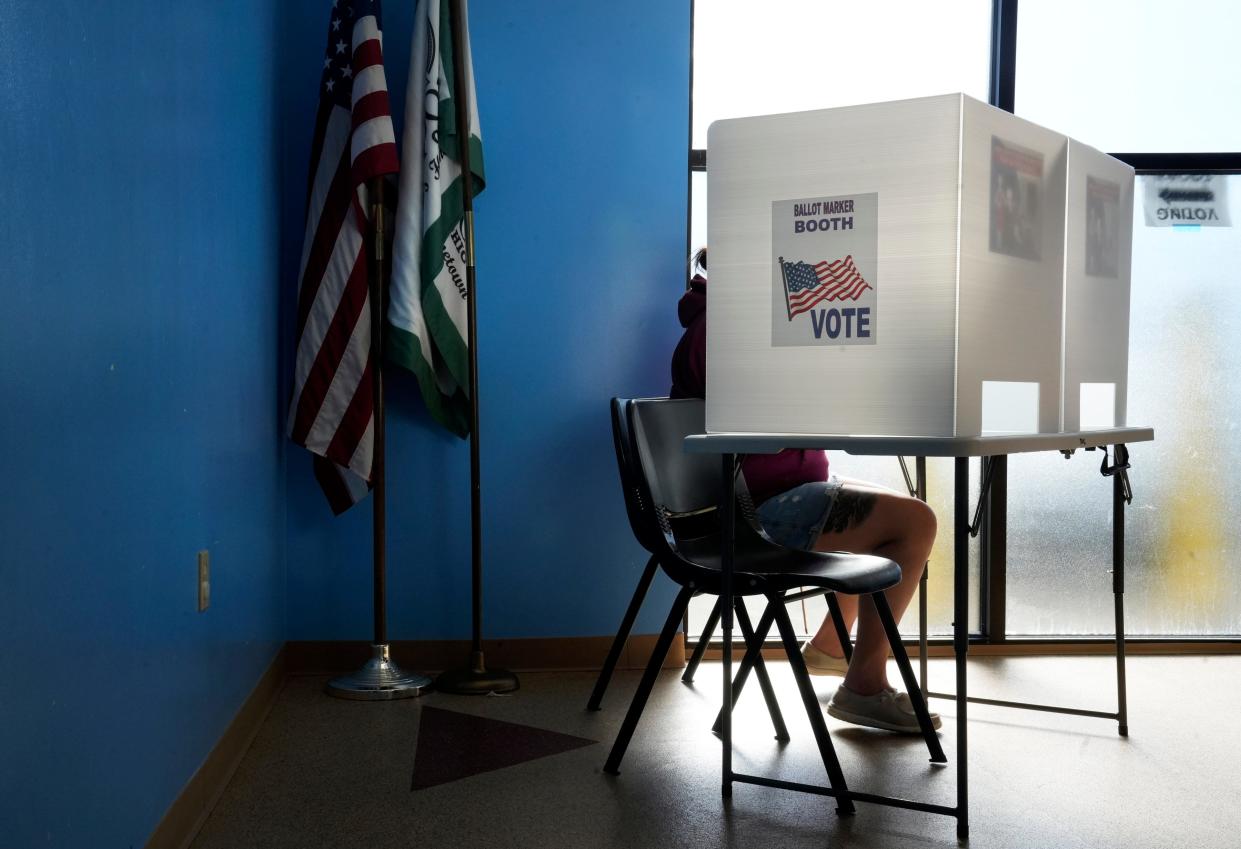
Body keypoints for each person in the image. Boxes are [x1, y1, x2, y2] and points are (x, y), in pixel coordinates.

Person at [671, 247, 940, 734]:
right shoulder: (719, 334)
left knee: (891, 514)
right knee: (914, 521)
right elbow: (758, 422)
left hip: (772, 491)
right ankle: (864, 686)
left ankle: (831, 650)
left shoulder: (727, 329)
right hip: (747, 512)